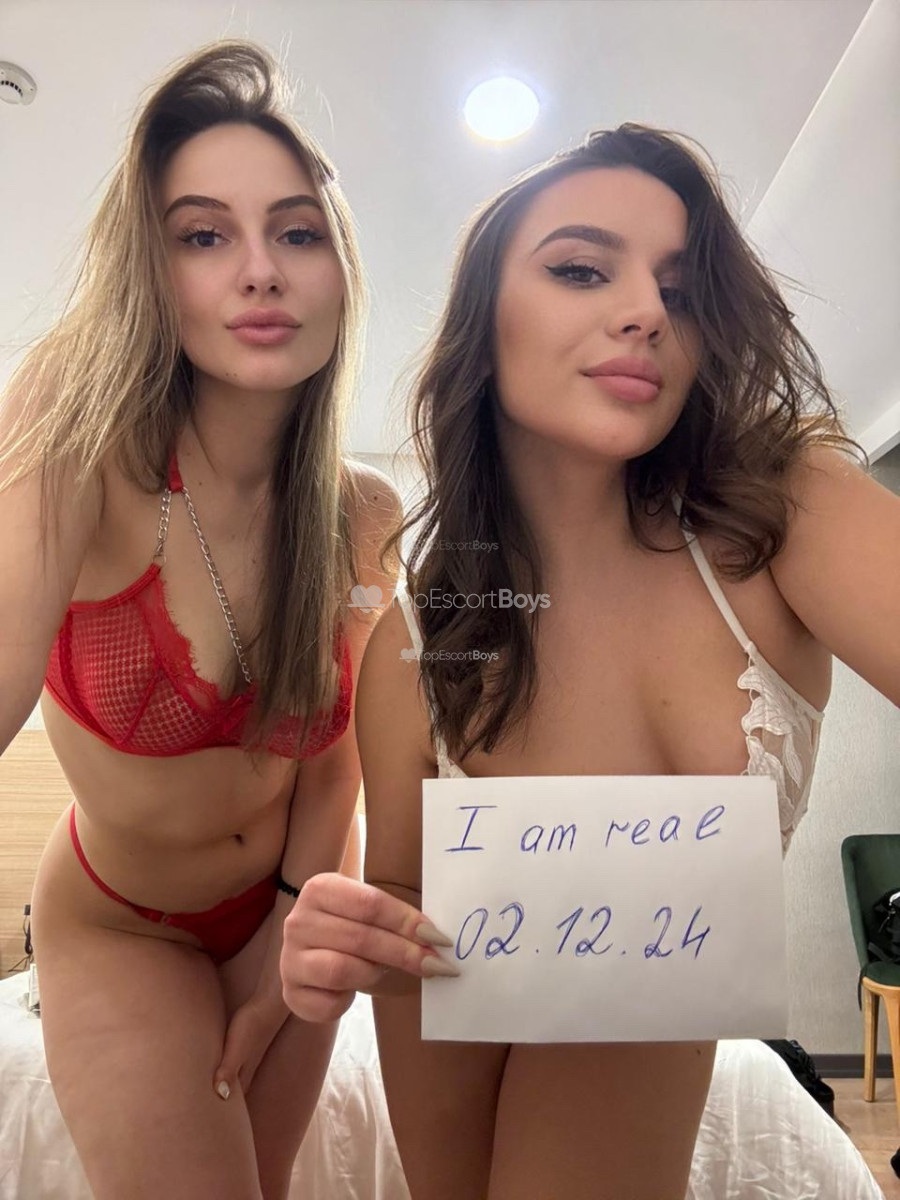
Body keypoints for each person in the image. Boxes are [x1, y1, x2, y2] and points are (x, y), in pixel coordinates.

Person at [280, 123, 900, 1200]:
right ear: (484, 327)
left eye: (682, 289)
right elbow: (407, 910)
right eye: (580, 269)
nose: (648, 310)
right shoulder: (419, 644)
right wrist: (341, 938)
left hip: (642, 1020)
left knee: (628, 1014)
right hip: (448, 1047)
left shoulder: (782, 512)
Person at [0, 40, 400, 1200]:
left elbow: (335, 770)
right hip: (122, 922)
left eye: (297, 232)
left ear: (340, 270)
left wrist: (286, 945)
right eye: (204, 235)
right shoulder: (77, 436)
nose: (261, 271)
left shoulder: (365, 515)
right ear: (150, 268)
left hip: (290, 909)